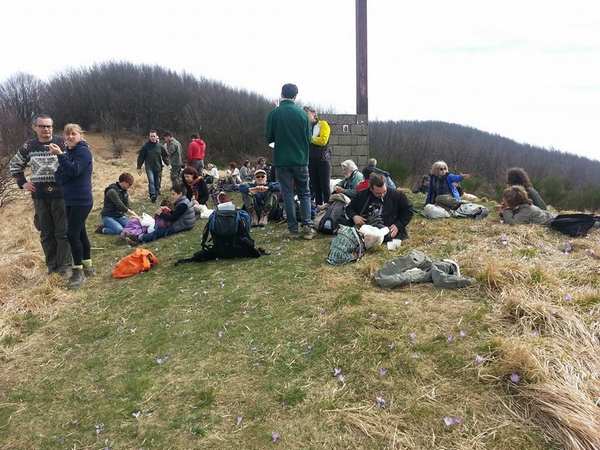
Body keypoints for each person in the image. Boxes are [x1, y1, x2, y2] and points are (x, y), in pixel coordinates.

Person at [9, 114, 72, 277]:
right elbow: (14, 165)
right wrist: (22, 182)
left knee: (63, 231)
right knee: (46, 232)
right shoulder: (28, 146)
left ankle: (65, 266)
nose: (46, 129)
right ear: (35, 128)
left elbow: (76, 163)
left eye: (49, 126)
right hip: (40, 197)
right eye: (42, 126)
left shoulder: (62, 142)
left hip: (61, 194)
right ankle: (52, 266)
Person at [265, 83, 314, 239]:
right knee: (304, 193)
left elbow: (269, 138)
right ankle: (307, 226)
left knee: (287, 193)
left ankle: (293, 229)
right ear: (295, 96)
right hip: (300, 160)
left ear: (282, 94)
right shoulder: (303, 115)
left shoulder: (274, 114)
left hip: (281, 160)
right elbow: (309, 138)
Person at [50, 124, 93, 289]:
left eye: (73, 134)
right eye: (66, 135)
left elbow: (74, 171)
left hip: (81, 200)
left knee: (71, 234)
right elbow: (59, 175)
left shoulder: (83, 152)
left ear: (80, 135)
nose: (69, 137)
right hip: (70, 199)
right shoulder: (69, 152)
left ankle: (78, 272)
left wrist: (61, 155)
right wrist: (64, 162)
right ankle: (88, 266)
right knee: (80, 232)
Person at [346, 173, 413, 241]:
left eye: (384, 191)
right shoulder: (361, 195)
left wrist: (398, 225)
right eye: (378, 193)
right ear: (371, 189)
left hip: (389, 229)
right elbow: (349, 208)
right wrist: (354, 216)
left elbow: (408, 211)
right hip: (367, 229)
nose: (382, 195)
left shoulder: (397, 195)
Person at [304, 106, 331, 206]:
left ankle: (328, 211)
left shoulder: (323, 124)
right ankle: (319, 209)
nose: (305, 116)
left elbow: (323, 140)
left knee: (325, 187)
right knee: (315, 187)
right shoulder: (306, 127)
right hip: (310, 160)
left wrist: (309, 139)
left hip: (323, 160)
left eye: (307, 113)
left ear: (313, 113)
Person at [137, 130, 169, 203]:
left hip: (158, 167)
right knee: (151, 181)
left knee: (157, 182)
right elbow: (141, 157)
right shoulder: (145, 146)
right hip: (149, 167)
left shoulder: (160, 146)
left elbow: (165, 156)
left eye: (154, 136)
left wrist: (168, 164)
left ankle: (156, 194)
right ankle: (152, 195)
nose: (153, 138)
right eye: (151, 136)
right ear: (149, 137)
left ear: (156, 137)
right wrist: (139, 167)